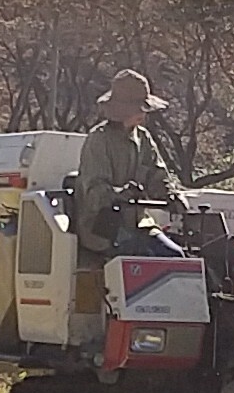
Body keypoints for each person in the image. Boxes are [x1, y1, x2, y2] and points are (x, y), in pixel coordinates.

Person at [73, 68, 184, 258]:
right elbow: (94, 192)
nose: (144, 113)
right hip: (103, 229)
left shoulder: (143, 137)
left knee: (175, 255)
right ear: (122, 110)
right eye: (140, 107)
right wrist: (120, 193)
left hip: (139, 224)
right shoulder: (99, 140)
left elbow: (157, 175)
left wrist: (172, 195)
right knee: (140, 255)